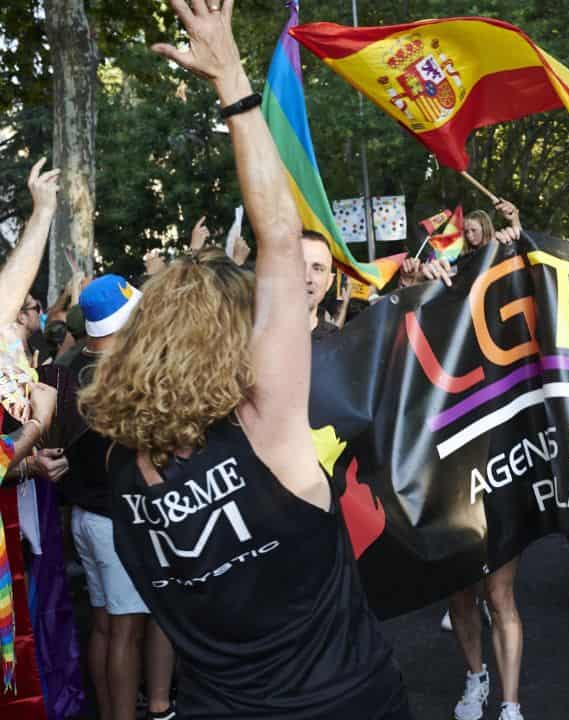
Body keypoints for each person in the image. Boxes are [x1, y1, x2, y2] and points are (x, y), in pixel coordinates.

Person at [78, 3, 410, 718]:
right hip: (347, 703)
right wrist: (231, 75)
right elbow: (281, 239)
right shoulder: (267, 429)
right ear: (231, 342)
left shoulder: (119, 468)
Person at [60, 275, 177, 720]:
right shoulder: (116, 376)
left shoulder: (70, 366)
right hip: (116, 521)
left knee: (107, 628)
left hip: (89, 518)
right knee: (126, 631)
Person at [301, 230, 339, 338]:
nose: (306, 278)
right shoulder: (255, 338)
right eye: (298, 265)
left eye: (318, 269)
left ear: (329, 282)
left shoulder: (340, 345)